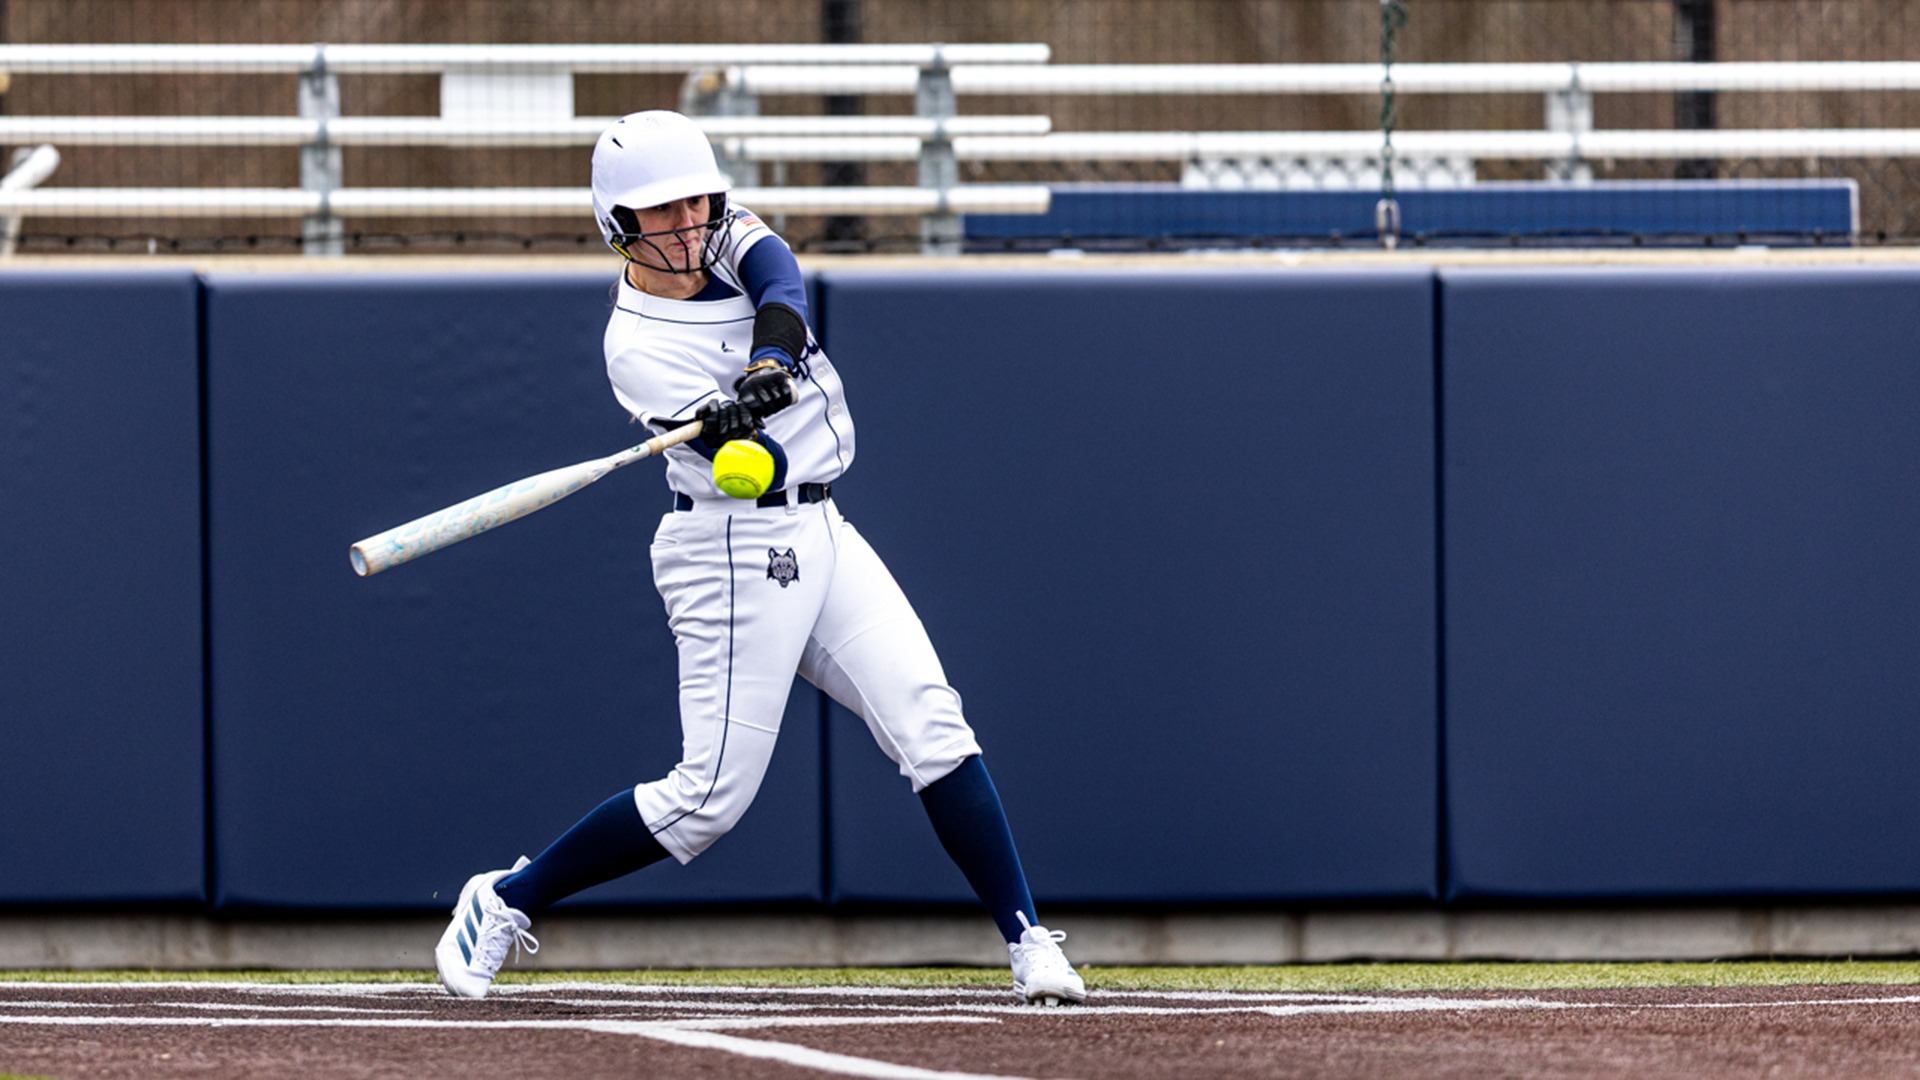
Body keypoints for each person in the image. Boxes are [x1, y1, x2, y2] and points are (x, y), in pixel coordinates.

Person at [433, 109, 1086, 1006]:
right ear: (619, 225)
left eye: (697, 202)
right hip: (732, 547)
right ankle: (507, 899)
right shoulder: (636, 349)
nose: (687, 223)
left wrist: (767, 361)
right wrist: (737, 426)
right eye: (662, 213)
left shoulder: (728, 235)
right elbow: (751, 471)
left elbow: (778, 277)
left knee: (931, 722)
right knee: (706, 802)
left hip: (823, 529)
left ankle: (1026, 939)